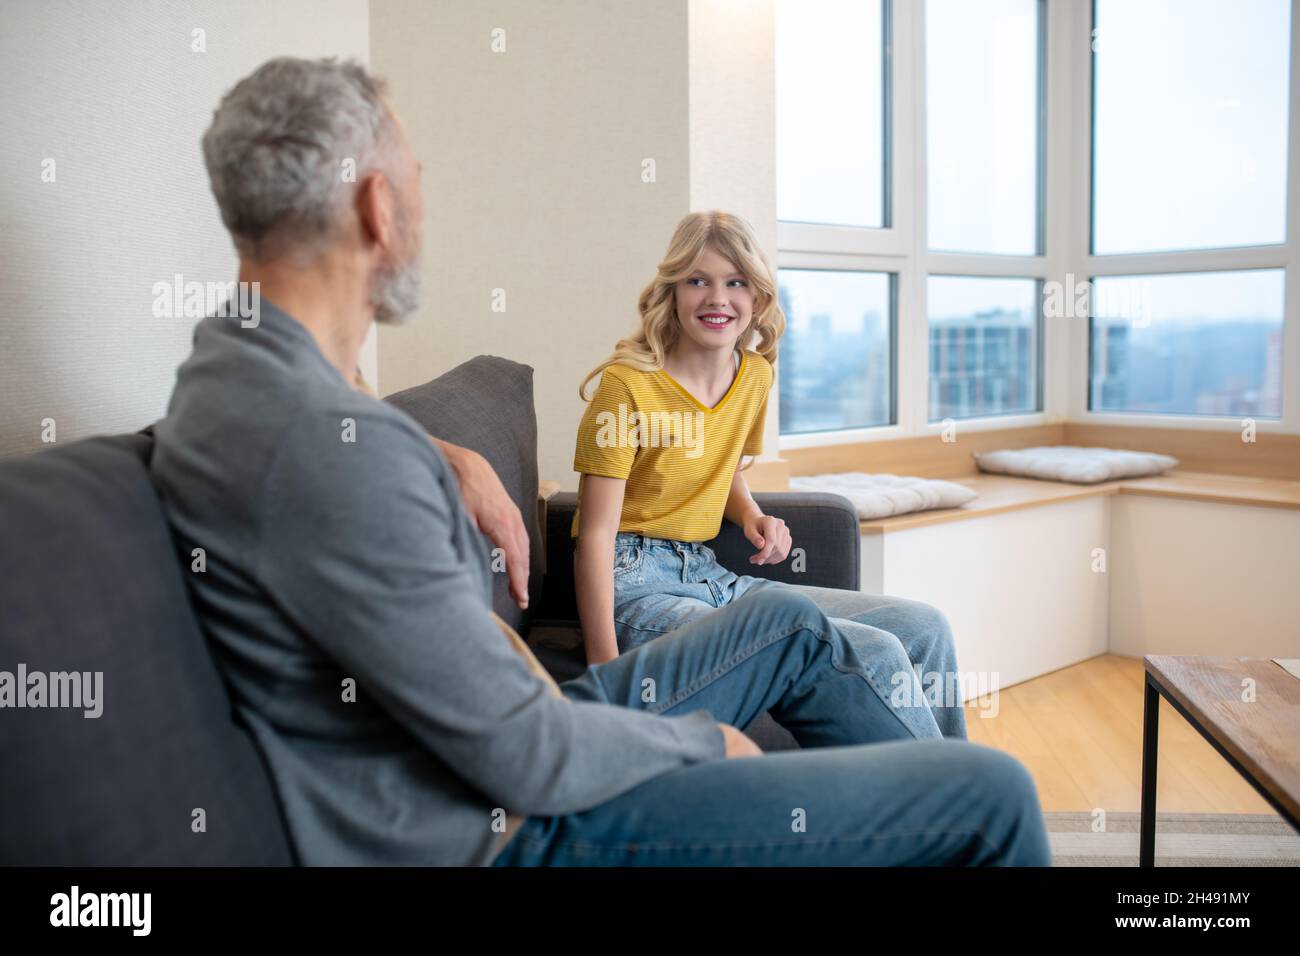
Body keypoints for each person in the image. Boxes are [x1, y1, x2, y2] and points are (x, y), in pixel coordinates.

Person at [150, 55, 1050, 866]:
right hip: (497, 823)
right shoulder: (325, 452)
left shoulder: (239, 379)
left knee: (802, 623)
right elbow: (524, 752)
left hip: (509, 746)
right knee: (995, 796)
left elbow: (324, 426)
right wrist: (704, 745)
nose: (425, 200)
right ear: (377, 208)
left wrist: (440, 448)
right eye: (417, 177)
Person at [571, 210, 965, 740]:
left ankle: (955, 787)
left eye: (735, 282)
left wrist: (753, 514)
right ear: (673, 292)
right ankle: (946, 807)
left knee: (922, 628)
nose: (717, 298)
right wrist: (605, 678)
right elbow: (594, 537)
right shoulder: (627, 387)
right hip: (636, 586)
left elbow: (723, 465)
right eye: (697, 281)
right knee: (875, 650)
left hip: (711, 578)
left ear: (757, 297)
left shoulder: (753, 375)